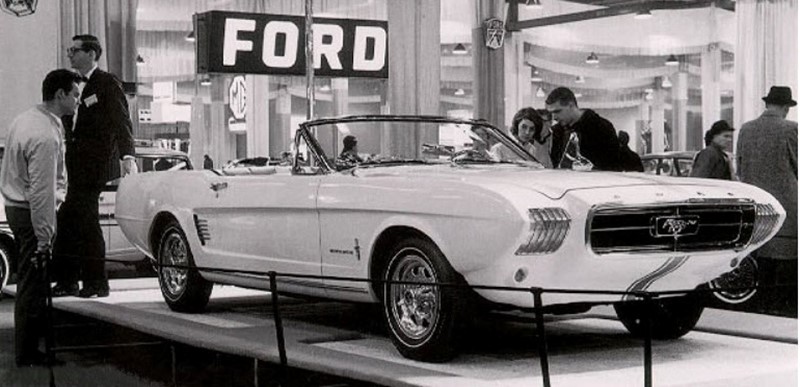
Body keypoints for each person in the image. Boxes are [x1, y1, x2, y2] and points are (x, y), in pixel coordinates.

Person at [0, 69, 80, 366]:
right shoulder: (45, 135)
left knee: (29, 283)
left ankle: (27, 349)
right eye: (75, 95)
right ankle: (29, 353)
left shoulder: (26, 119)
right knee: (34, 283)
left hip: (16, 207)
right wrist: (45, 239)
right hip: (31, 213)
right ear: (60, 94)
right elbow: (43, 192)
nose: (77, 101)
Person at [52, 34, 137, 298]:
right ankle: (70, 281)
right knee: (68, 220)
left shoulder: (107, 83)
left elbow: (122, 122)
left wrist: (128, 157)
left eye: (74, 50)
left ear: (91, 54)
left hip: (94, 166)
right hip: (73, 166)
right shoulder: (72, 83)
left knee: (84, 220)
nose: (70, 55)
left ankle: (95, 283)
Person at [737, 86, 798, 314]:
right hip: (786, 205)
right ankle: (783, 308)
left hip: (756, 204)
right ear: (785, 108)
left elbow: (740, 167)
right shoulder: (791, 129)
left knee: (760, 255)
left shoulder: (746, 129)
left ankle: (760, 307)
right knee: (786, 261)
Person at [546, 87, 622, 171]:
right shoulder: (557, 131)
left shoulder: (601, 127)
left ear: (571, 105)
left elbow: (613, 166)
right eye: (551, 113)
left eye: (557, 111)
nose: (554, 117)